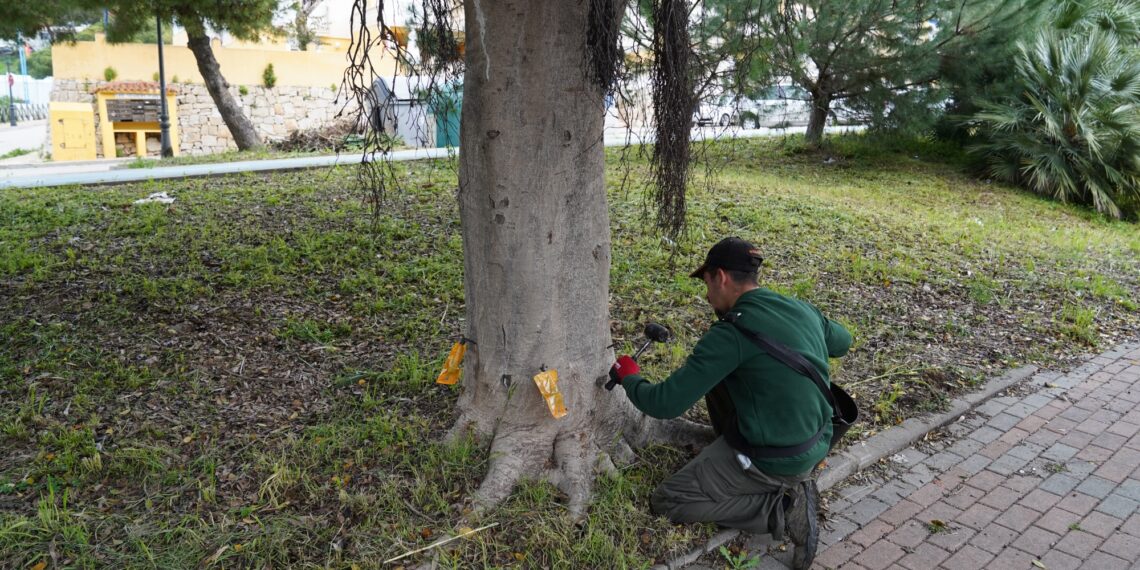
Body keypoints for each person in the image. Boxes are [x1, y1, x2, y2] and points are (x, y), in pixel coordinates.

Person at [608, 236, 852, 570]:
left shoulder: (731, 333)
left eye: (707, 283)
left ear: (720, 277)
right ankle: (774, 476)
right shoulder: (799, 308)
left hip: (777, 458)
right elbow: (843, 342)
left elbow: (664, 404)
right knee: (726, 378)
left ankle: (781, 509)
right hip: (819, 438)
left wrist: (630, 377)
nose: (707, 296)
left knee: (669, 500)